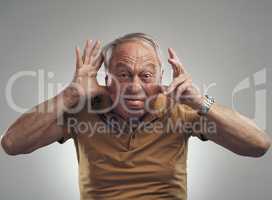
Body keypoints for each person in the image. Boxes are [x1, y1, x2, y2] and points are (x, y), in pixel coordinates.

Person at [1, 33, 271, 200]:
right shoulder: (81, 112)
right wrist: (70, 94)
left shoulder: (183, 110)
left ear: (161, 80)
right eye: (123, 73)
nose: (134, 85)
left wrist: (202, 101)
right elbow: (12, 143)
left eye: (146, 75)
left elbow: (258, 144)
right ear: (106, 79)